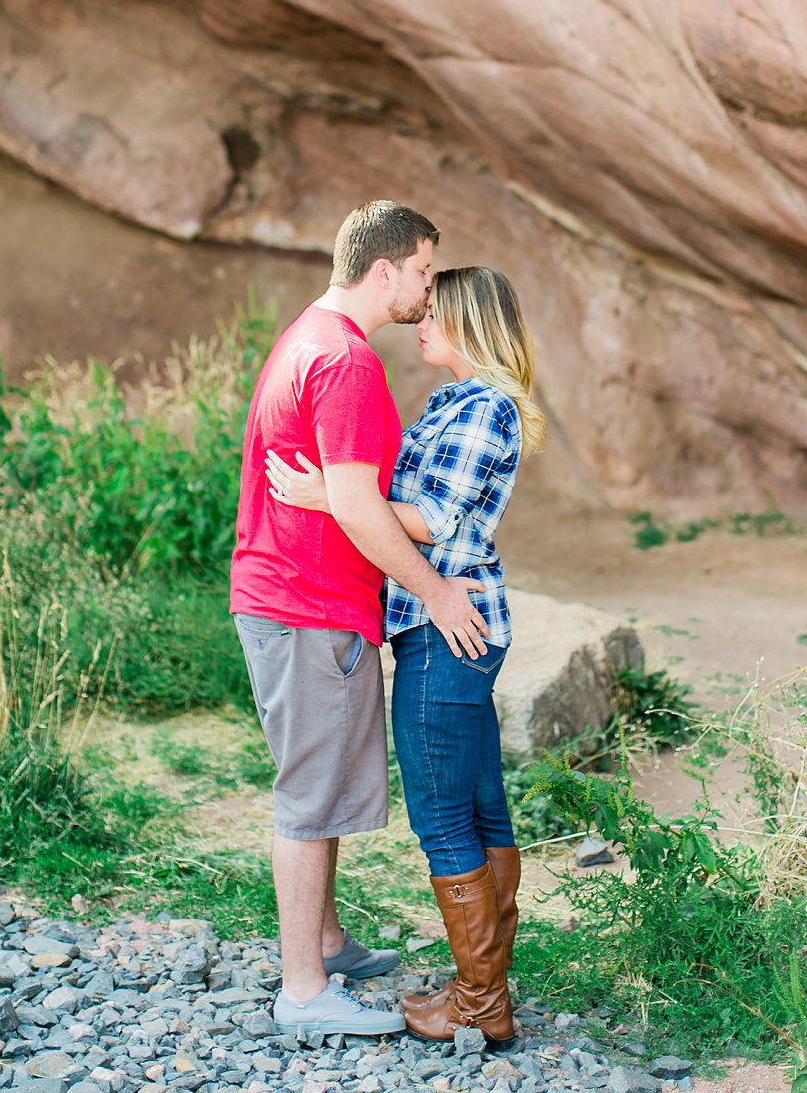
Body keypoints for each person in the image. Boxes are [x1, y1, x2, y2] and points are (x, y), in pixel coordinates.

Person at [229, 200, 492, 1037]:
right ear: (385, 271)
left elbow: (343, 491)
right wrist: (439, 591)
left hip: (297, 600)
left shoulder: (309, 335)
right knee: (310, 800)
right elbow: (355, 501)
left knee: (326, 788)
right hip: (306, 605)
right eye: (422, 271)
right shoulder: (345, 362)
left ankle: (328, 943)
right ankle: (304, 994)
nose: (427, 288)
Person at [268, 265, 546, 1049]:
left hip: (445, 633)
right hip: (446, 630)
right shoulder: (455, 400)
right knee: (482, 809)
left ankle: (479, 1004)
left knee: (444, 819)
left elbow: (433, 517)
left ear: (472, 324)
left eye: (438, 310)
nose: (423, 315)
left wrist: (331, 496)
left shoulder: (486, 408)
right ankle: (483, 991)